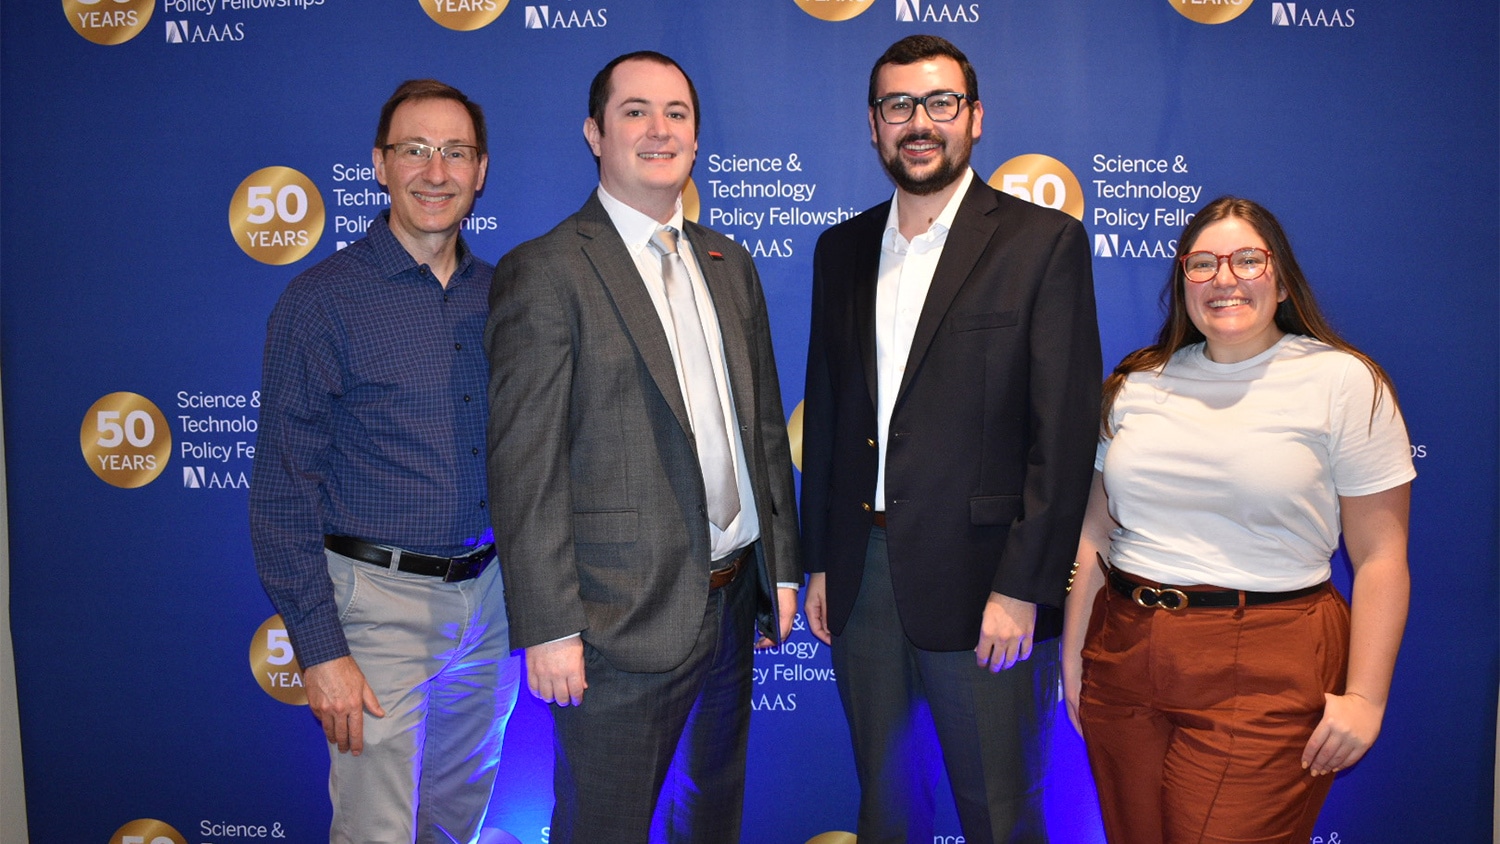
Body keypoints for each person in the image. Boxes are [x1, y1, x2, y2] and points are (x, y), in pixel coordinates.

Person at [483, 51, 801, 843]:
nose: (659, 130)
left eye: (677, 114)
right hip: (615, 624)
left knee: (711, 815)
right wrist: (550, 627)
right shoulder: (547, 271)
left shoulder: (730, 263)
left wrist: (782, 567)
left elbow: (762, 431)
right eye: (635, 112)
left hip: (731, 605)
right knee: (605, 826)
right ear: (595, 132)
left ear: (695, 140)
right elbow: (525, 468)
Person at [800, 34, 1101, 844]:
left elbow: (1063, 436)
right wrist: (823, 558)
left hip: (986, 588)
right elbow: (828, 413)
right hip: (862, 582)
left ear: (974, 117)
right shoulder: (841, 249)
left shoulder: (1042, 245)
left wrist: (1022, 589)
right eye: (899, 106)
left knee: (1001, 815)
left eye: (940, 103)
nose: (919, 122)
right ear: (873, 125)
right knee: (886, 811)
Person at [1062, 196, 1414, 843]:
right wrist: (1075, 656)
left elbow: (1382, 558)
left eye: (1247, 259)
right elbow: (1096, 533)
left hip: (1267, 663)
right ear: (1182, 283)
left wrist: (1366, 697)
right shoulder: (1135, 385)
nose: (1225, 278)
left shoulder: (1345, 383)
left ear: (1279, 279)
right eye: (1203, 264)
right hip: (1123, 652)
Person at [250, 79, 519, 844]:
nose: (436, 172)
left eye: (455, 153)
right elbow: (280, 493)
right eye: (415, 150)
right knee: (375, 831)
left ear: (481, 170)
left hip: (492, 608)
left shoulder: (506, 296)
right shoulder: (321, 301)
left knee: (455, 823)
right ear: (379, 163)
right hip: (374, 611)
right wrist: (322, 652)